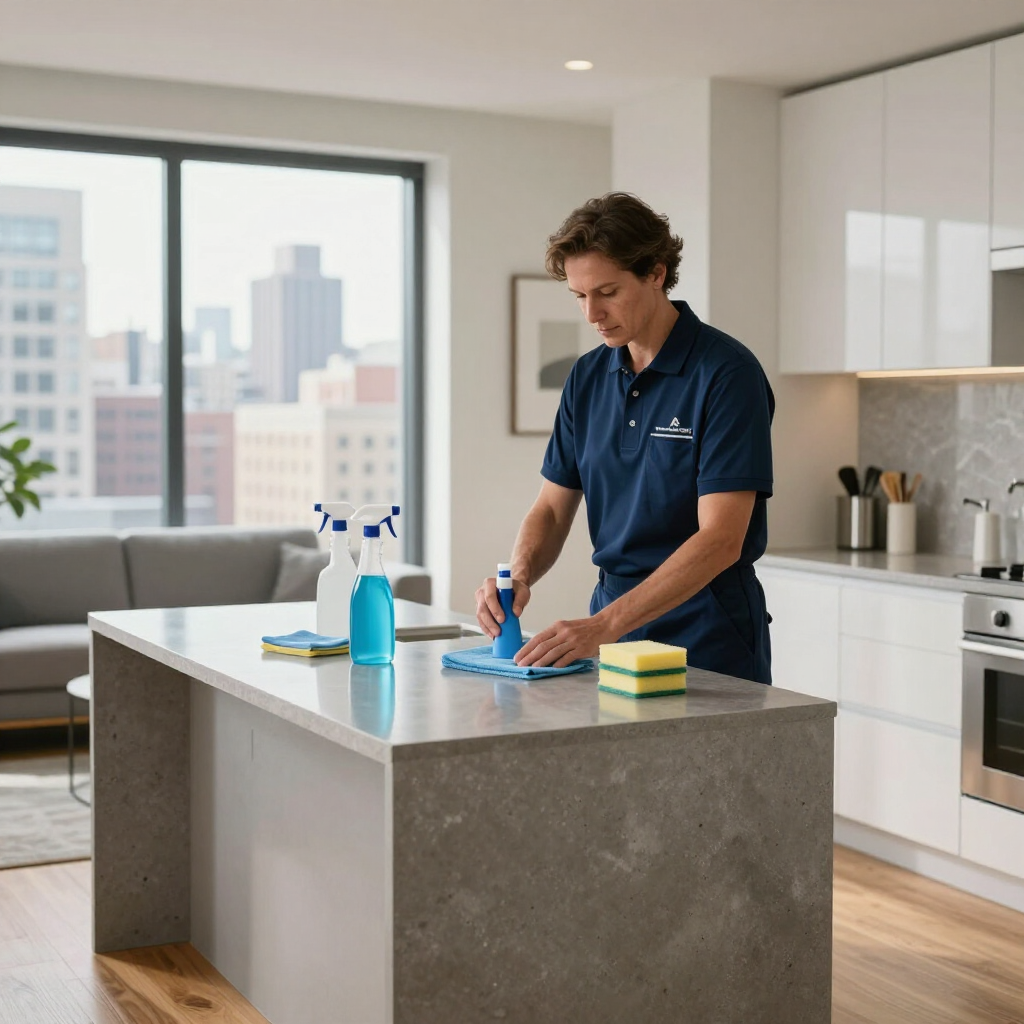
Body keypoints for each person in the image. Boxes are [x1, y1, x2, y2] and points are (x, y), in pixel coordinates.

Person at [475, 192, 775, 684]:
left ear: (656, 273)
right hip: (612, 633)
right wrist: (518, 577)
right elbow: (552, 506)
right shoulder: (587, 376)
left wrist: (602, 626)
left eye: (608, 292)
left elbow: (721, 539)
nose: (592, 313)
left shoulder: (726, 374)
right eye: (579, 296)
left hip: (707, 633)